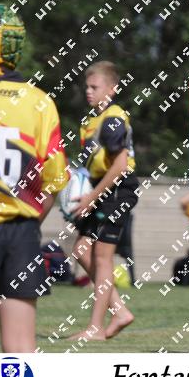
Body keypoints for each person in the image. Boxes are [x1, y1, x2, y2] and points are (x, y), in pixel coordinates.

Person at [0, 3, 69, 352]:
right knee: (22, 350)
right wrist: (27, 220)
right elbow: (54, 181)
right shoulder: (40, 101)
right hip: (23, 233)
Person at [67, 61, 138, 341]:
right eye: (87, 86)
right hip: (100, 189)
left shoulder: (113, 118)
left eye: (95, 87)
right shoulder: (90, 121)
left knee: (101, 257)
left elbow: (120, 166)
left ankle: (96, 328)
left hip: (117, 190)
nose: (88, 91)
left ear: (112, 89)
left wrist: (91, 197)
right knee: (81, 250)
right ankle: (119, 311)